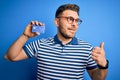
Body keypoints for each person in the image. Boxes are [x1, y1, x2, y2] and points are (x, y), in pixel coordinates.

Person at [5, 4, 108, 80]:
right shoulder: (40, 44)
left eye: (77, 21)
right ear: (57, 22)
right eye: (70, 19)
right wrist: (25, 36)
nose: (75, 24)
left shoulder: (86, 48)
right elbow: (10, 57)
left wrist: (103, 66)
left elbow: (97, 78)